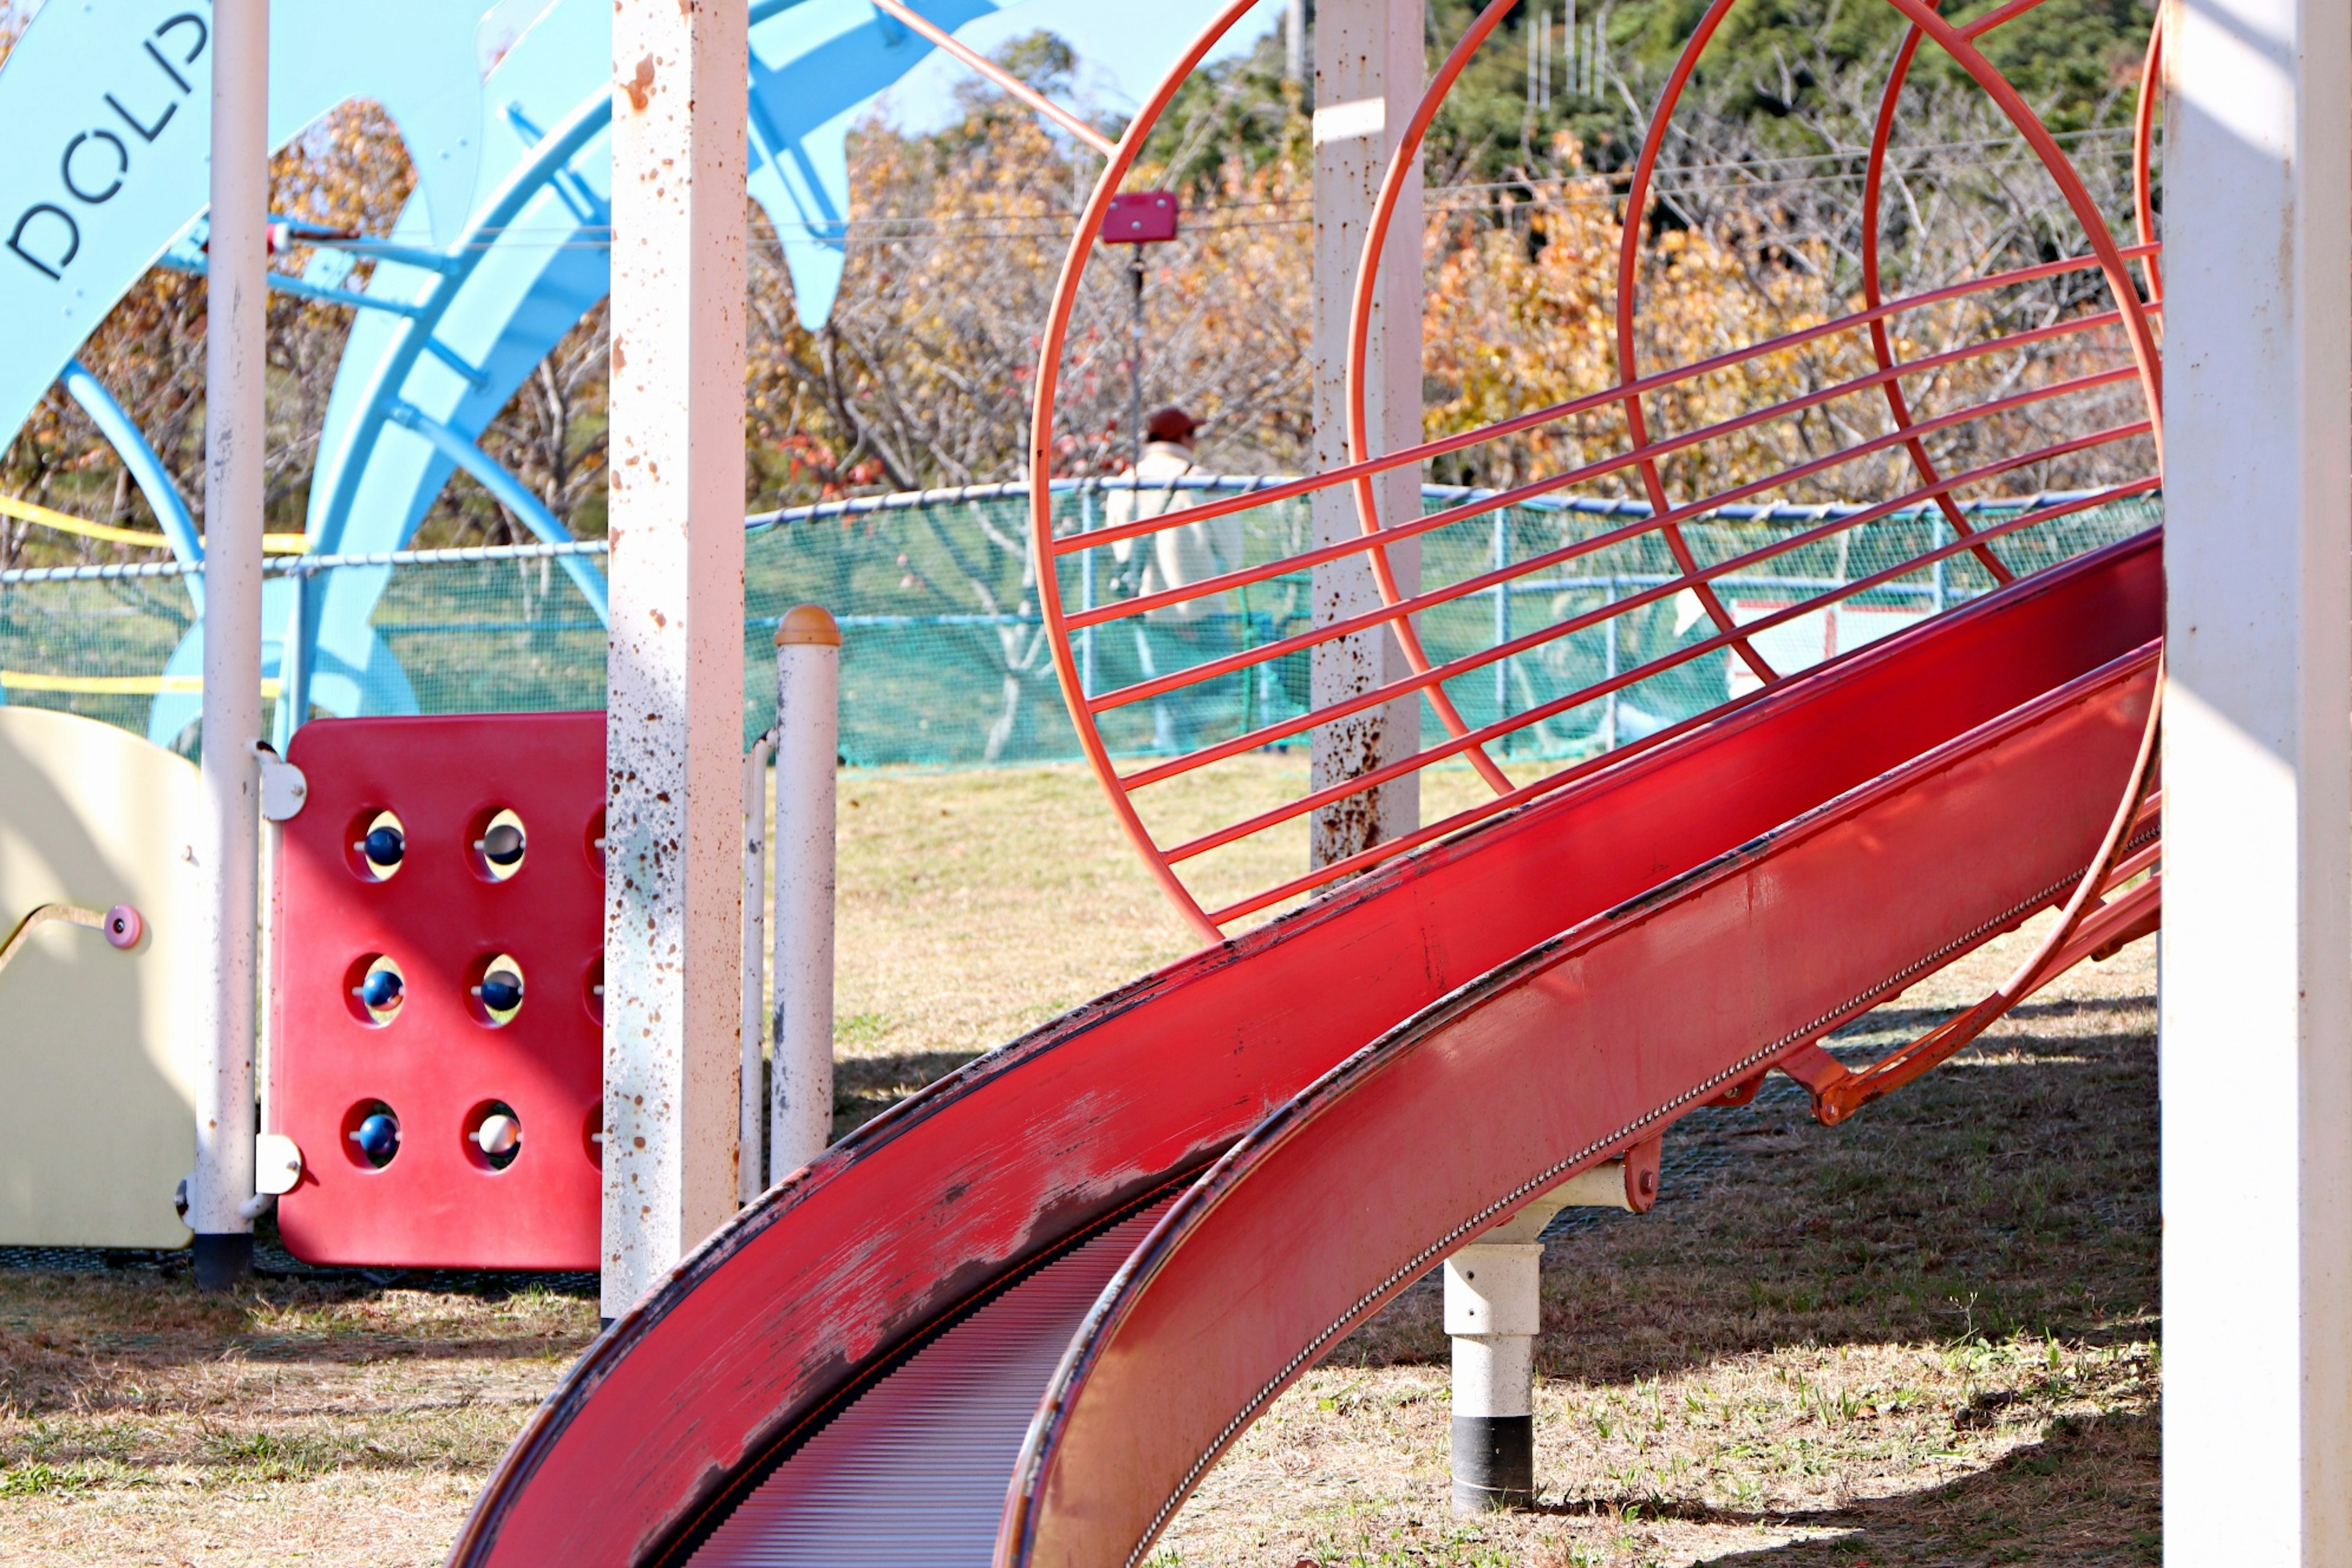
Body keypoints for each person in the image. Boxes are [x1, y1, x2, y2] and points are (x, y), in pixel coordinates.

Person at [1102, 406, 1248, 751]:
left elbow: (1115, 541)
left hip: (1145, 604)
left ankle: (1170, 748)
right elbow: (1230, 545)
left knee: (1161, 688)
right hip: (1201, 602)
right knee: (1230, 679)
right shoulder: (1197, 477)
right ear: (1183, 437)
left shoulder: (1126, 482)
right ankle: (1181, 738)